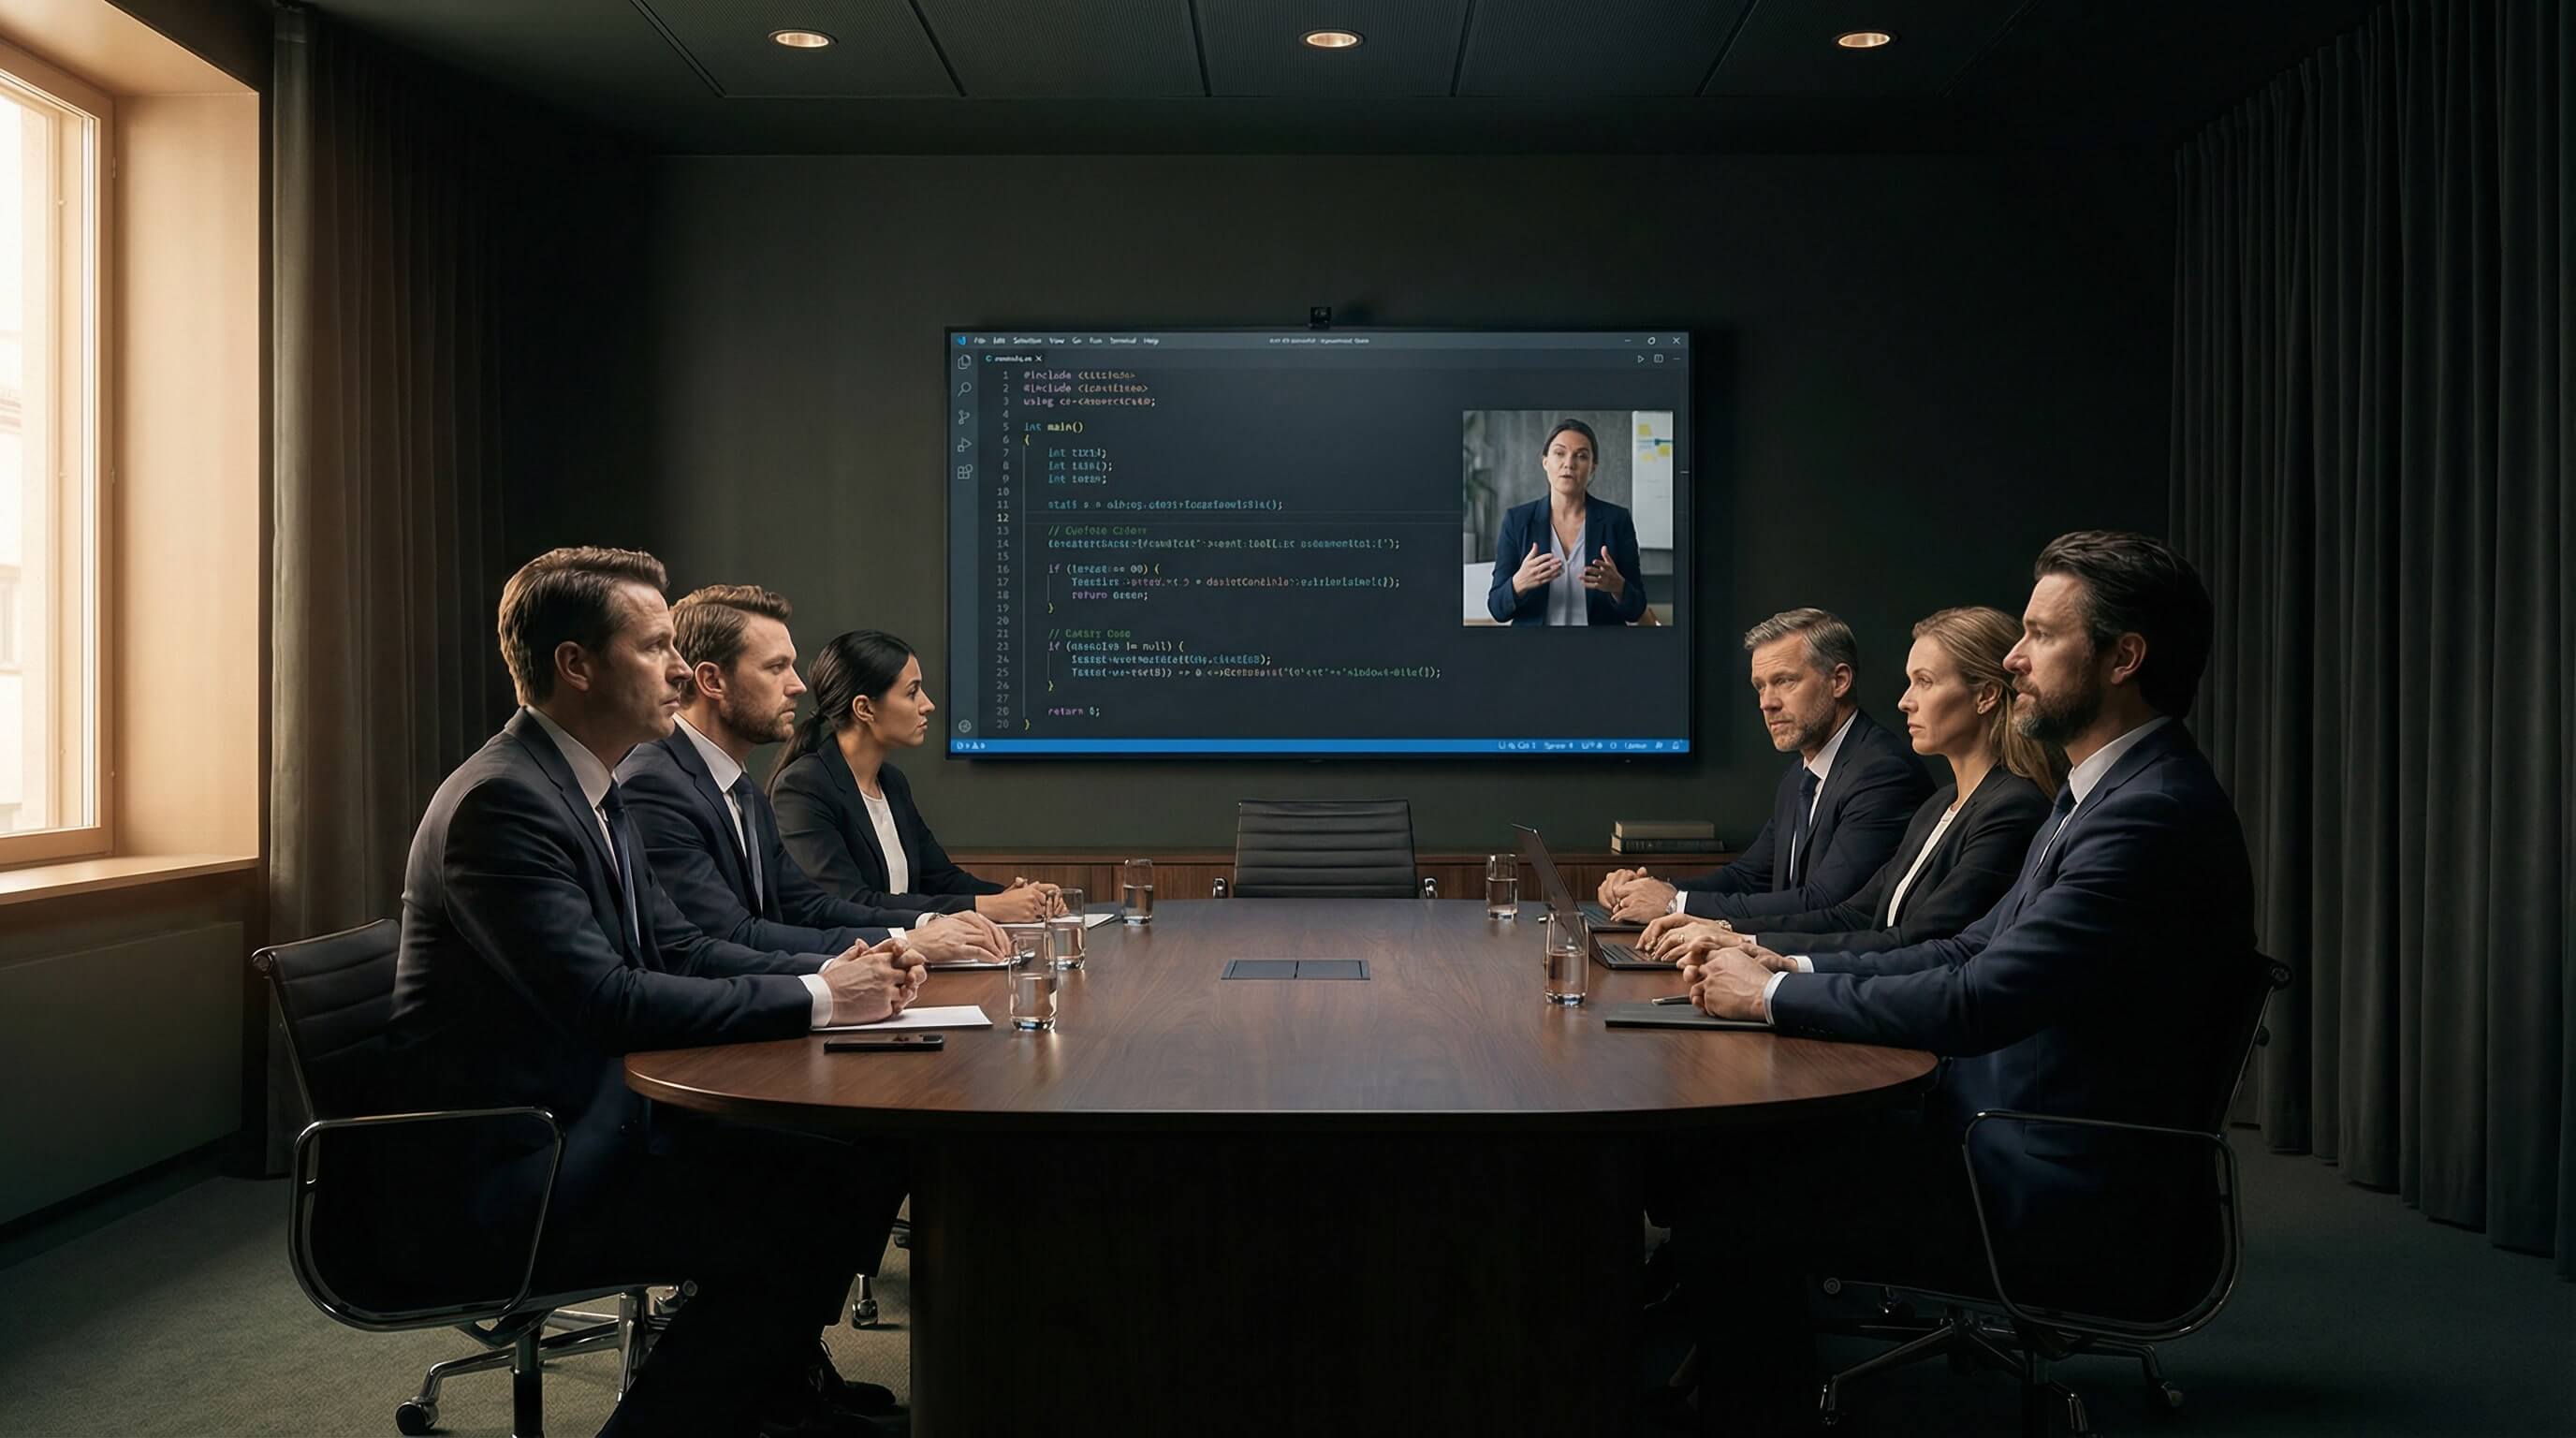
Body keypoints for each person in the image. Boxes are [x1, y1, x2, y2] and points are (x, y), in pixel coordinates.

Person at [1663, 533, 2255, 1432]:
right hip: (1994, 1129)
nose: (2014, 658)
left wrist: (1771, 998)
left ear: (2124, 657)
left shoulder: (2148, 816)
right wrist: (1794, 966)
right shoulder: (2095, 795)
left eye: (2040, 636)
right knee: (1721, 1156)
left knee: (1727, 1198)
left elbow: (1979, 1001)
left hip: (2036, 1177)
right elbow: (1958, 951)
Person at [389, 547, 922, 1437]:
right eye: (655, 647)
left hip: (595, 1118)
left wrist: (833, 979)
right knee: (803, 1201)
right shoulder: (504, 801)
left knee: (860, 1150)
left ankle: (770, 1390)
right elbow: (610, 1002)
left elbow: (674, 945)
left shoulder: (583, 784)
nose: (682, 670)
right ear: (576, 665)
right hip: (524, 1156)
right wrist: (827, 1001)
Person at [618, 584, 1013, 968]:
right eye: (776, 668)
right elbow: (731, 937)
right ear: (712, 682)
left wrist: (929, 923)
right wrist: (906, 941)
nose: (799, 685)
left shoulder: (740, 789)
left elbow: (809, 906)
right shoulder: (654, 785)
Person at [1638, 606, 2056, 963]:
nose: (1904, 701)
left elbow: (1917, 944)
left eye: (1924, 682)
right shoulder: (1940, 804)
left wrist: (1754, 949)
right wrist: (1731, 934)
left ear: (1985, 696)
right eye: (1761, 687)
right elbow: (1853, 915)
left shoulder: (2007, 805)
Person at [1599, 608, 1930, 923]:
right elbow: (1748, 876)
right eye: (1760, 686)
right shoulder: (1799, 777)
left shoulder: (1882, 772)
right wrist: (1650, 890)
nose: (1767, 703)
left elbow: (1825, 902)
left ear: (1839, 681)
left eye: (1785, 681)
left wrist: (1673, 904)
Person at [770, 630, 1056, 923]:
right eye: (912, 693)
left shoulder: (892, 782)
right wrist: (986, 907)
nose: (927, 705)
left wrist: (1015, 897)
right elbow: (847, 903)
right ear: (865, 708)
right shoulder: (803, 788)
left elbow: (941, 879)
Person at [1485, 418, 1648, 625]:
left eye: (1581, 456)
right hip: (1535, 651)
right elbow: (1497, 609)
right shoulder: (1517, 520)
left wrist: (1619, 587)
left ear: (1593, 467)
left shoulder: (1617, 520)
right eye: (1559, 453)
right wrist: (1519, 583)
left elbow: (1637, 609)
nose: (1568, 463)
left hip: (1601, 650)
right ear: (1545, 462)